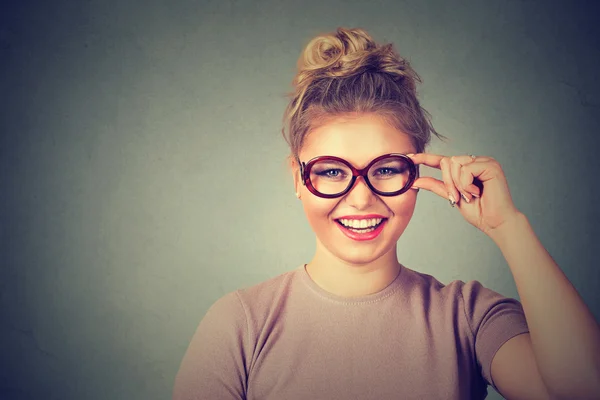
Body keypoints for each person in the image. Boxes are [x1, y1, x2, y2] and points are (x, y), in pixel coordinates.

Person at [173, 27, 600, 400]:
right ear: (298, 177)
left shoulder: (469, 317)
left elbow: (583, 390)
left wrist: (510, 228)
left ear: (417, 172)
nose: (360, 200)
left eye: (386, 169)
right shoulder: (240, 324)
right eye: (333, 171)